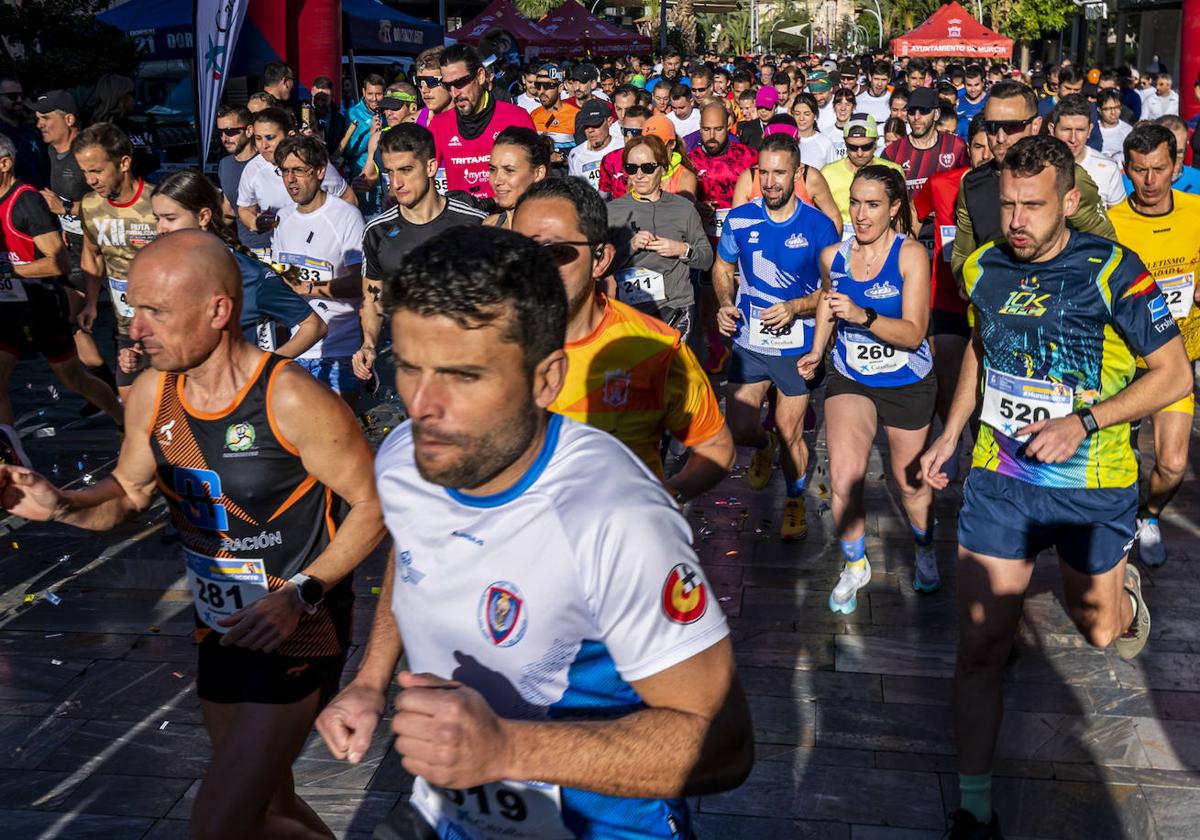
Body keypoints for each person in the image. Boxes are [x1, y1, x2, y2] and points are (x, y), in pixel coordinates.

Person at [314, 225, 752, 839]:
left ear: (547, 379)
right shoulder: (405, 458)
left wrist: (504, 750)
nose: (424, 406)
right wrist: (368, 682)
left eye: (464, 376)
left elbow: (723, 746)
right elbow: (413, 556)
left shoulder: (616, 514)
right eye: (410, 369)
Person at [0, 228, 385, 839]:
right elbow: (127, 494)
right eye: (133, 309)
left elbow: (373, 505)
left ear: (218, 310)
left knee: (217, 825)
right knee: (267, 810)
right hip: (219, 630)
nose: (134, 330)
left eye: (155, 312)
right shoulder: (155, 395)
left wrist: (303, 593)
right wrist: (64, 506)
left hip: (297, 631)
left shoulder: (289, 399)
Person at [920, 135, 1189, 840]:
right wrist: (953, 430)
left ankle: (1120, 597)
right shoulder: (983, 266)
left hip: (1091, 486)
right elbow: (984, 344)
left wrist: (1085, 420)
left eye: (1033, 206)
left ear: (1070, 200)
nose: (1017, 220)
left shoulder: (1113, 271)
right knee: (980, 644)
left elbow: (1174, 375)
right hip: (1000, 478)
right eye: (1007, 205)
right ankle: (974, 809)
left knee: (1100, 632)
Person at [515, 176, 734, 494]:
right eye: (522, 251)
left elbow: (715, 445)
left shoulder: (655, 349)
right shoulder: (486, 342)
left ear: (600, 259)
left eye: (556, 253)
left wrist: (661, 501)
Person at [798, 165, 938, 608]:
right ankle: (856, 565)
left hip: (907, 377)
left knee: (910, 483)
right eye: (854, 202)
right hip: (850, 374)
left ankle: (924, 546)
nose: (860, 214)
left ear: (894, 208)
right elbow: (828, 301)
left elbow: (915, 332)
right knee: (843, 477)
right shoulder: (833, 256)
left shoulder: (910, 254)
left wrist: (865, 316)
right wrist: (819, 350)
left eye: (873, 204)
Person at [714, 134, 840, 539]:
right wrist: (724, 302)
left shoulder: (818, 226)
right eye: (763, 173)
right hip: (751, 342)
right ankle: (763, 448)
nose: (770, 183)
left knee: (790, 431)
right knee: (740, 428)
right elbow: (722, 266)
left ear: (798, 174)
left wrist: (795, 307)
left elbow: (831, 293)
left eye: (779, 174)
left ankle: (793, 499)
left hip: (797, 346)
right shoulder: (740, 219)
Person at [1109, 124, 1200, 567]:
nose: (1150, 181)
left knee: (1173, 463)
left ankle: (1150, 515)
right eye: (1140, 170)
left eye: (1159, 170)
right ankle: (1118, 519)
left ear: (1176, 167)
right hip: (1123, 362)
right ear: (1127, 170)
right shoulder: (1111, 223)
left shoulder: (1196, 210)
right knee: (1119, 459)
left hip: (1177, 359)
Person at [0, 134, 123, 428]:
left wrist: (12, 272)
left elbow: (59, 262)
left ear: (4, 164)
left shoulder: (25, 201)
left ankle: (124, 422)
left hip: (41, 306)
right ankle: (9, 454)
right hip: (7, 310)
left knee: (73, 378)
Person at [355, 124, 486, 380]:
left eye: (405, 170)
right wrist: (369, 343)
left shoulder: (475, 223)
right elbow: (372, 299)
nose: (396, 183)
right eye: (390, 172)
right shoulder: (377, 231)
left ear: (430, 167)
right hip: (414, 370)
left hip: (472, 366)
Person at [150, 169, 325, 358]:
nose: (160, 228)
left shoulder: (249, 274)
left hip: (242, 386)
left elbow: (314, 326)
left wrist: (267, 368)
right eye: (157, 218)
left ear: (203, 217)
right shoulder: (166, 275)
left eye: (170, 218)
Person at [952, 81, 1116, 279]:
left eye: (1012, 127)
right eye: (992, 127)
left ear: (1036, 125)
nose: (1001, 138)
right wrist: (966, 281)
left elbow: (1106, 248)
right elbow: (963, 256)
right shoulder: (971, 183)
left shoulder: (1068, 176)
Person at [911, 114, 992, 470]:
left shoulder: (1013, 185)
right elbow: (914, 220)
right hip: (945, 295)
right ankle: (954, 439)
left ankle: (980, 448)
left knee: (983, 384)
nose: (985, 154)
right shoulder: (942, 182)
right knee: (945, 374)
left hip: (990, 300)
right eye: (978, 146)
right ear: (966, 148)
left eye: (991, 147)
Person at [268, 136, 366, 405]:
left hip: (340, 352)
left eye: (299, 170)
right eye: (285, 171)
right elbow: (282, 274)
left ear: (320, 171)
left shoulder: (346, 216)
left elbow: (362, 283)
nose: (290, 180)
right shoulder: (283, 217)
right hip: (298, 350)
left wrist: (311, 288)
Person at [33, 89, 114, 397]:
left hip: (107, 246)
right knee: (73, 321)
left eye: (46, 118)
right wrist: (63, 222)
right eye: (37, 119)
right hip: (78, 247)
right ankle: (104, 388)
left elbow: (111, 201)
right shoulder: (53, 153)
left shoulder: (88, 154)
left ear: (69, 119)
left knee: (130, 324)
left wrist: (66, 210)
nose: (40, 124)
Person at [75, 122, 159, 400]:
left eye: (97, 171)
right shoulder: (90, 205)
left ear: (124, 163)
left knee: (165, 397)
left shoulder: (157, 202)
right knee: (129, 398)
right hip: (125, 323)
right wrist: (90, 302)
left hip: (165, 321)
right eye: (85, 172)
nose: (90, 180)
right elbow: (92, 252)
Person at [607, 135, 712, 338]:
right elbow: (598, 268)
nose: (639, 175)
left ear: (663, 169)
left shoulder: (684, 208)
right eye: (631, 168)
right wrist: (629, 247)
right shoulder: (612, 211)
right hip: (631, 313)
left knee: (673, 369)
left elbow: (706, 260)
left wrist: (682, 250)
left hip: (676, 309)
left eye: (647, 168)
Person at [237, 108, 354, 253]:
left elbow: (349, 199)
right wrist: (255, 222)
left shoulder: (312, 162)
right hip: (281, 253)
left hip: (322, 253)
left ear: (289, 135)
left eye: (270, 137)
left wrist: (330, 232)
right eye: (258, 138)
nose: (263, 145)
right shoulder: (253, 169)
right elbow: (245, 207)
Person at [429, 45, 535, 200]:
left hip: (505, 218)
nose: (454, 93)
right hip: (463, 220)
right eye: (448, 86)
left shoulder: (516, 118)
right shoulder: (439, 125)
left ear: (480, 76)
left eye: (460, 83)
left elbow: (534, 176)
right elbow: (424, 178)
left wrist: (492, 204)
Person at [821, 115, 904, 241]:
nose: (859, 153)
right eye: (852, 147)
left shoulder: (893, 171)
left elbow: (900, 217)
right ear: (844, 143)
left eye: (866, 147)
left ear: (876, 142)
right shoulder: (827, 173)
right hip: (838, 241)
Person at [882, 86, 967, 195]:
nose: (916, 117)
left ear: (936, 114)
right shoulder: (892, 152)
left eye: (924, 110)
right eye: (911, 111)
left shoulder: (956, 146)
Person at [1049, 94, 1125, 208]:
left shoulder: (1109, 169)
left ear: (1090, 130)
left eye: (1080, 130)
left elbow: (1118, 218)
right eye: (1066, 130)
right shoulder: (1037, 167)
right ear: (1052, 129)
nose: (1073, 139)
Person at [214, 105, 270, 257]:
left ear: (249, 130)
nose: (225, 138)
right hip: (246, 252)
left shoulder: (268, 162)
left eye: (231, 132)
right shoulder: (224, 164)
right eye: (221, 132)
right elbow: (229, 209)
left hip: (275, 249)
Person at [91, 74, 160, 179]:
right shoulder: (100, 131)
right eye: (131, 94)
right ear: (119, 96)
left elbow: (152, 158)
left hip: (139, 184)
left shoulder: (132, 125)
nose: (133, 99)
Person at [485, 127, 549, 230]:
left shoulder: (553, 231)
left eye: (509, 170)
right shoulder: (489, 226)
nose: (497, 180)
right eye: (493, 169)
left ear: (538, 173)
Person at [0, 77, 47, 188]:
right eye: (12, 96)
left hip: (43, 196)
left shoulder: (33, 128)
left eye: (22, 95)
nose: (19, 100)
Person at [641, 115, 699, 202]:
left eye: (658, 144)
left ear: (672, 144)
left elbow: (681, 213)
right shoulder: (637, 173)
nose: (653, 150)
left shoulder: (685, 177)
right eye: (648, 144)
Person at [338, 73, 386, 179]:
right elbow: (349, 151)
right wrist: (371, 134)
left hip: (385, 173)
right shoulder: (352, 114)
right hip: (362, 174)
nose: (374, 98)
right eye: (370, 94)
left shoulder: (389, 112)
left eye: (378, 94)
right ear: (363, 92)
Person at [530, 64, 579, 166]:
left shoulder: (576, 115)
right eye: (538, 86)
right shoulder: (533, 115)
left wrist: (561, 159)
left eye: (548, 86)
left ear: (560, 88)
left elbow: (585, 153)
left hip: (567, 177)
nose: (542, 91)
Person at [567, 99, 620, 192]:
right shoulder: (575, 155)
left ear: (609, 121)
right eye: (586, 126)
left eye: (596, 124)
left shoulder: (622, 147)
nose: (590, 130)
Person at [791, 92, 837, 169]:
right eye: (797, 114)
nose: (801, 118)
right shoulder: (786, 141)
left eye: (807, 114)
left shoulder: (825, 143)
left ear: (815, 116)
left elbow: (834, 172)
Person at [308, 75, 347, 149]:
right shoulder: (301, 112)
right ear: (312, 92)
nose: (320, 103)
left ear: (332, 96)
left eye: (324, 100)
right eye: (317, 99)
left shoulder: (338, 119)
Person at [1096, 88, 1132, 165]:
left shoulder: (1128, 131)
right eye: (1108, 109)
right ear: (1099, 110)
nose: (1113, 112)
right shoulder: (1093, 130)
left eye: (1117, 107)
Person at [822, 88, 857, 159]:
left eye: (847, 104)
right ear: (834, 107)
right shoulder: (825, 134)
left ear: (853, 107)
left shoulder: (859, 133)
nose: (843, 108)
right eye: (839, 104)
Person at [956, 64, 988, 139]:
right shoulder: (957, 102)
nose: (973, 89)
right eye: (969, 85)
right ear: (964, 84)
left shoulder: (990, 100)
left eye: (976, 85)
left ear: (983, 82)